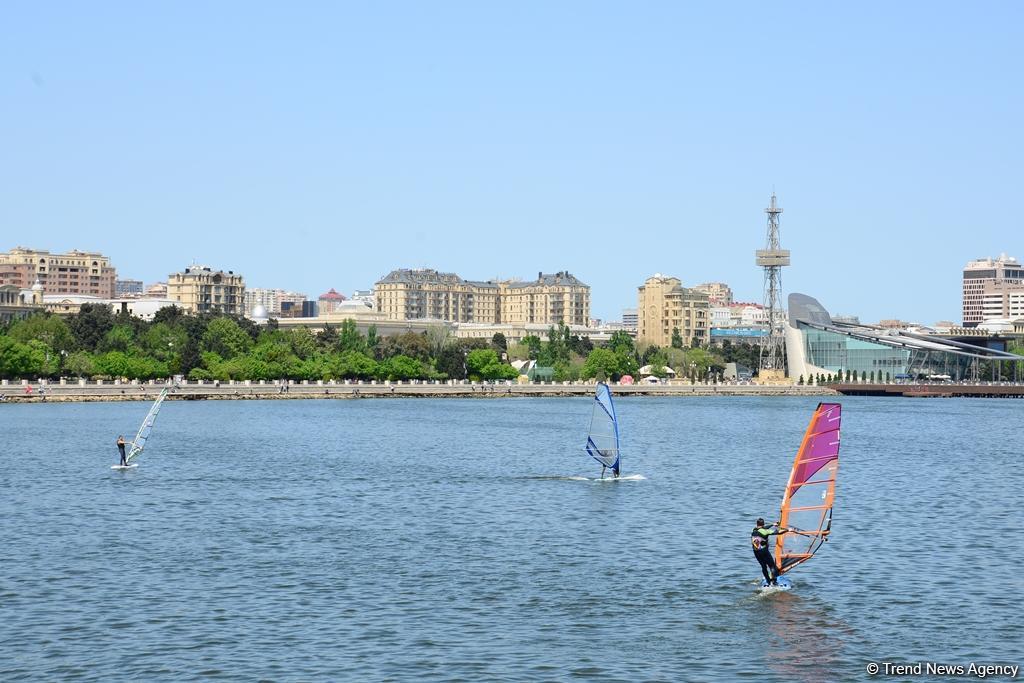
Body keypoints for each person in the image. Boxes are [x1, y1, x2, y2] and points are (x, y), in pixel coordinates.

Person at [751, 518, 788, 585]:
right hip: (764, 551)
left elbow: (763, 528)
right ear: (763, 524)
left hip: (756, 552)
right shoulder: (766, 531)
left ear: (757, 524)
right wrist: (787, 530)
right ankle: (774, 582)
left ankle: (768, 581)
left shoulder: (754, 530)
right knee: (772, 566)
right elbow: (778, 532)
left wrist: (773, 524)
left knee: (763, 566)